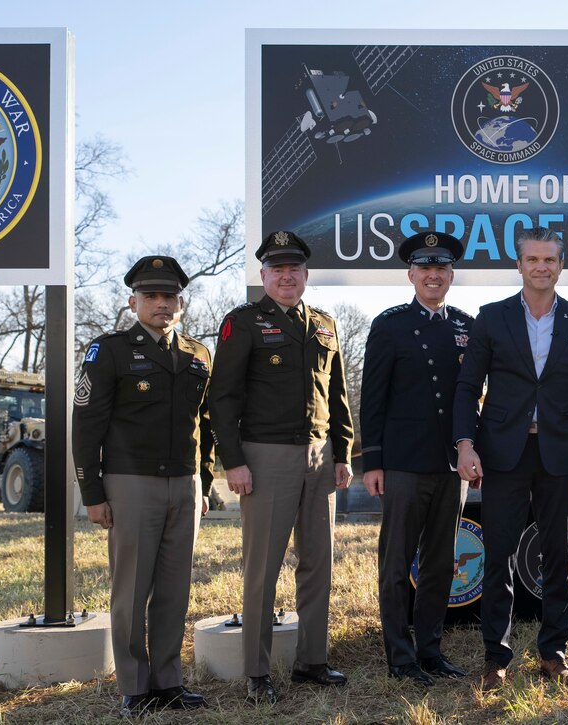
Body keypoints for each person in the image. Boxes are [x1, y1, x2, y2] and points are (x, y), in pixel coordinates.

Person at [453, 227, 568, 691]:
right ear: (519, 265)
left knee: (559, 556)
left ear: (561, 266)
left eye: (550, 260)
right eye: (533, 259)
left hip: (560, 452)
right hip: (503, 452)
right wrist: (465, 444)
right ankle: (496, 658)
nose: (541, 267)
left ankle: (554, 652)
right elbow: (467, 388)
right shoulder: (491, 319)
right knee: (499, 553)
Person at [208, 230, 354, 704]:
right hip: (265, 457)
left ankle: (313, 660)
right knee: (262, 567)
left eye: (295, 269)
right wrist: (233, 461)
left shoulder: (326, 325)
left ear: (306, 275)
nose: (287, 276)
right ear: (264, 275)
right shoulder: (243, 322)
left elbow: (338, 396)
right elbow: (221, 399)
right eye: (278, 269)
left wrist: (344, 453)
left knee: (318, 564)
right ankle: (257, 672)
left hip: (319, 457)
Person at [72, 256, 213, 717]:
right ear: (133, 301)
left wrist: (205, 481)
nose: (160, 304)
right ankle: (134, 685)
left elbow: (206, 425)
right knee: (131, 589)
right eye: (150, 296)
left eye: (169, 296)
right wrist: (92, 493)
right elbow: (86, 427)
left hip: (185, 485)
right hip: (130, 483)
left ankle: (168, 680)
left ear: (181, 303)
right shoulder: (107, 350)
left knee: (175, 588)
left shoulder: (198, 354)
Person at [360, 231, 474, 687]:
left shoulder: (466, 326)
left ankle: (430, 650)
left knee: (440, 562)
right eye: (425, 268)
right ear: (411, 274)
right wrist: (373, 461)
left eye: (441, 268)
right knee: (396, 562)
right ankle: (400, 656)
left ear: (451, 275)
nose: (433, 275)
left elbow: (472, 397)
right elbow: (373, 398)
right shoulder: (388, 325)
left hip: (449, 466)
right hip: (404, 464)